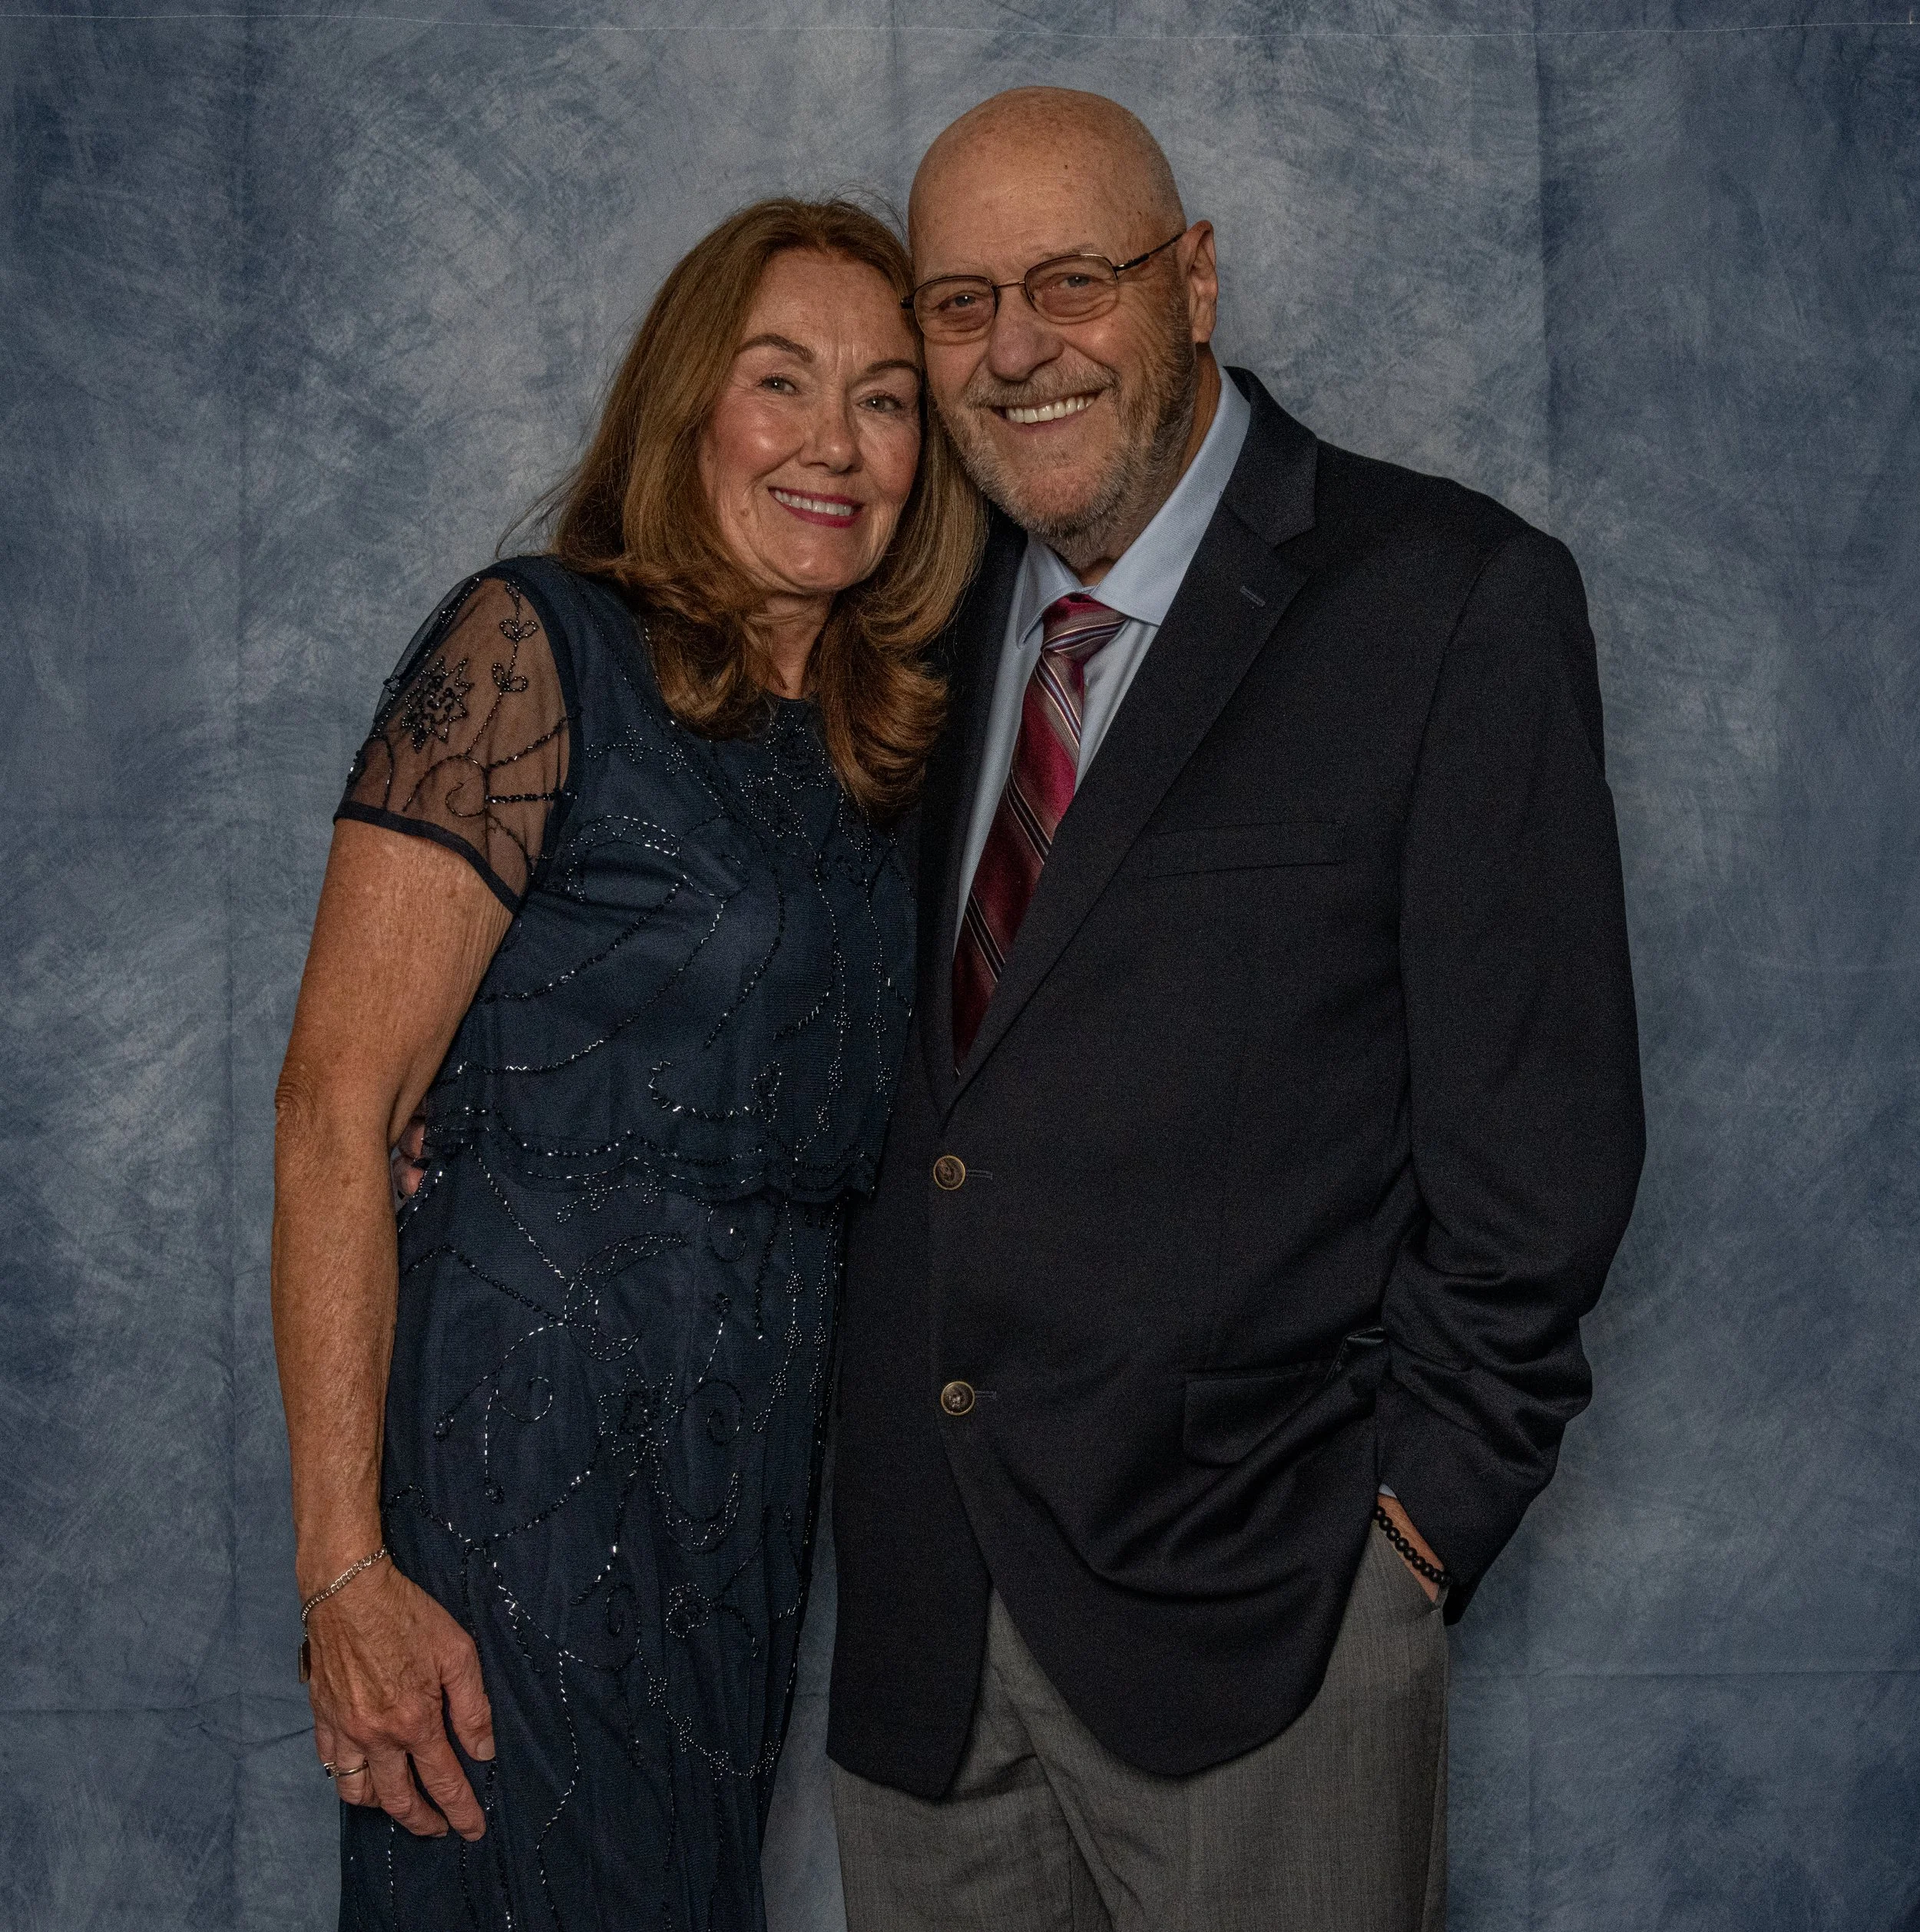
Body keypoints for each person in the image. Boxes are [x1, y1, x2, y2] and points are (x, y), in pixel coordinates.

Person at [826, 89, 1647, 1930]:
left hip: (1267, 1625)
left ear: (1192, 282)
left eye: (1072, 281)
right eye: (959, 303)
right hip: (921, 1642)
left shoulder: (1448, 603)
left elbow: (1542, 1146)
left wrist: (1407, 1535)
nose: (1015, 348)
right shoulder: (902, 624)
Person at [270, 197, 981, 1931]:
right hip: (523, 1445)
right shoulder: (534, 648)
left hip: (747, 1472)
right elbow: (335, 1111)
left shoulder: (887, 737)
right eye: (781, 380)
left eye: (885, 399)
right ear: (688, 410)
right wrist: (342, 1569)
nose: (834, 444)